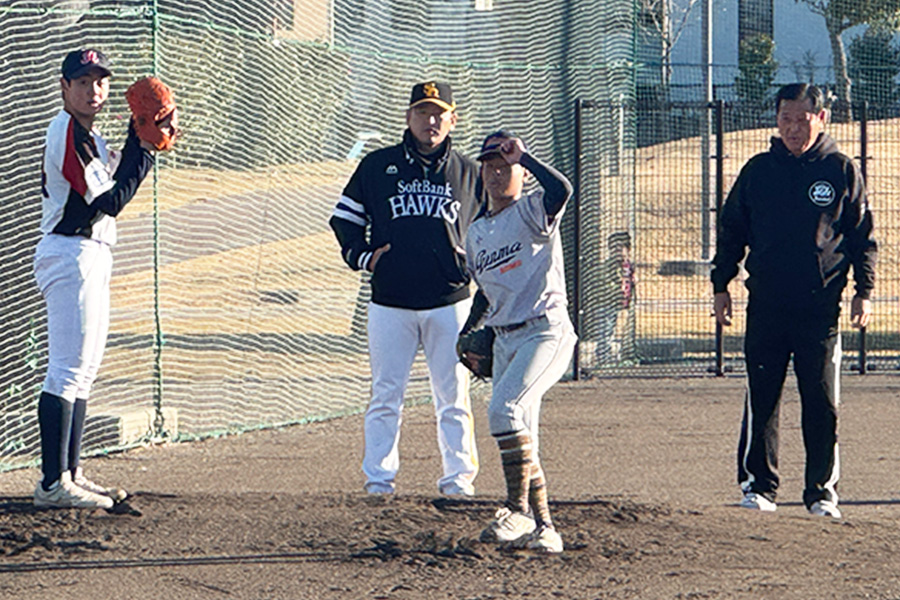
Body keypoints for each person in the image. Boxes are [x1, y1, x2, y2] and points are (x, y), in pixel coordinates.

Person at [711, 83, 876, 519]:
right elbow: (732, 232)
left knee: (820, 401)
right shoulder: (758, 170)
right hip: (765, 304)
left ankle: (821, 492)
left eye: (802, 119)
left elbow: (863, 236)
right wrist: (721, 284)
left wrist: (865, 291)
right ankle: (759, 486)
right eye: (785, 118)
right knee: (762, 396)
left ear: (821, 119)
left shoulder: (840, 169)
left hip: (819, 309)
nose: (792, 128)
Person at [329, 82, 483, 496]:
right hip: (390, 302)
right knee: (385, 394)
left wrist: (476, 266)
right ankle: (378, 480)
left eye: (438, 113)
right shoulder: (378, 166)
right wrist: (364, 258)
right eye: (422, 112)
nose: (430, 121)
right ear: (407, 117)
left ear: (454, 119)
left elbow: (492, 228)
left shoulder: (469, 172)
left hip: (450, 301)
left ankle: (458, 481)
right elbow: (343, 219)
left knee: (452, 396)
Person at [33, 49, 162, 508]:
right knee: (68, 371)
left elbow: (113, 188)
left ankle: (70, 474)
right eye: (82, 81)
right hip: (70, 252)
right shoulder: (66, 130)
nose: (93, 90)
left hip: (90, 253)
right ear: (64, 87)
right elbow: (109, 201)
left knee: (83, 373)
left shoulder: (91, 135)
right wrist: (143, 149)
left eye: (100, 81)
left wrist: (135, 141)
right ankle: (52, 483)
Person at [460, 131, 576, 553]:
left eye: (504, 166)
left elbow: (562, 189)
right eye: (489, 165)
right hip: (506, 339)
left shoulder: (532, 210)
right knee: (523, 435)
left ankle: (517, 510)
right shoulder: (476, 233)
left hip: (545, 330)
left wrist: (525, 158)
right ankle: (546, 529)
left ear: (520, 174)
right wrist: (468, 334)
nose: (495, 173)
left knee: (503, 409)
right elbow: (485, 294)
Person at [596, 231, 635, 365]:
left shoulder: (629, 266)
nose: (617, 251)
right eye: (613, 248)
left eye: (620, 248)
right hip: (608, 303)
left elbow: (631, 283)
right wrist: (616, 289)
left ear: (627, 249)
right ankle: (603, 356)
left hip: (623, 304)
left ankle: (623, 356)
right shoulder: (609, 266)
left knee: (622, 331)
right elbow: (604, 282)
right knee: (606, 330)